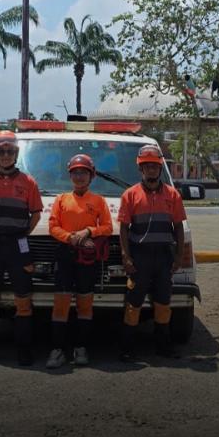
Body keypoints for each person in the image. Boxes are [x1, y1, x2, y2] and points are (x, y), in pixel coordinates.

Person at [0, 130, 43, 366]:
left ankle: (24, 349)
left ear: (16, 153)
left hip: (18, 245)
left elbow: (35, 214)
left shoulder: (28, 182)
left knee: (23, 297)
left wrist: (21, 233)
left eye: (9, 151)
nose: (5, 155)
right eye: (0, 151)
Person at [117, 144, 187, 358]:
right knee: (134, 303)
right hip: (140, 257)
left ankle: (163, 347)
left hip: (164, 257)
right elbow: (123, 229)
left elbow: (178, 227)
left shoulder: (172, 195)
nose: (151, 170)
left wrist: (179, 256)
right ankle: (127, 349)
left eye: (155, 166)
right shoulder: (130, 195)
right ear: (141, 169)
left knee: (163, 302)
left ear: (160, 168)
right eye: (147, 166)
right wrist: (126, 256)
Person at [46, 153, 113, 369]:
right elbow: (53, 227)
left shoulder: (99, 201)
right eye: (75, 173)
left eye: (84, 172)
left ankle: (81, 347)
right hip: (65, 255)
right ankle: (57, 349)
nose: (79, 176)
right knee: (61, 303)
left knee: (85, 303)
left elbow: (107, 227)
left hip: (87, 258)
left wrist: (89, 231)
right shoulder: (61, 199)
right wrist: (70, 238)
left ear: (91, 176)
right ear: (70, 176)